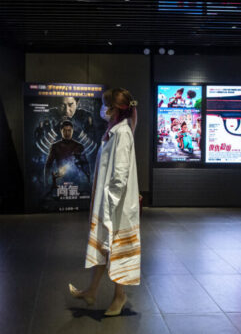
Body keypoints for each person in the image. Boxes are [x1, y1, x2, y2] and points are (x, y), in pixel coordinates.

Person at [69, 88, 140, 317]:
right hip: (108, 202)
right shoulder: (115, 131)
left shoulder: (122, 133)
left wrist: (109, 204)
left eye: (104, 104)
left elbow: (119, 175)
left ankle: (119, 296)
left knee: (117, 249)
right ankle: (92, 291)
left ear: (112, 109)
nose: (101, 109)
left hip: (115, 206)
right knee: (104, 245)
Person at [44, 120, 88, 195]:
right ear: (61, 131)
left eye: (69, 130)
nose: (67, 133)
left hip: (76, 181)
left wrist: (86, 181)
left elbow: (85, 165)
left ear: (72, 131)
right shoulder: (55, 146)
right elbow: (48, 165)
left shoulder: (79, 146)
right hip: (60, 180)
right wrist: (47, 182)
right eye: (64, 130)